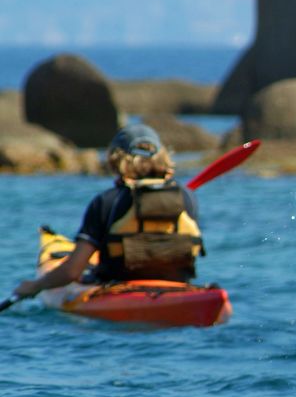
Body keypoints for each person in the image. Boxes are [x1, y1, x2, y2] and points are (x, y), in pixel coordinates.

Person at [15, 124, 203, 299]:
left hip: (117, 289)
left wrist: (35, 286)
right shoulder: (187, 197)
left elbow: (72, 272)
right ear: (163, 157)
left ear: (115, 160)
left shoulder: (107, 201)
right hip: (177, 287)